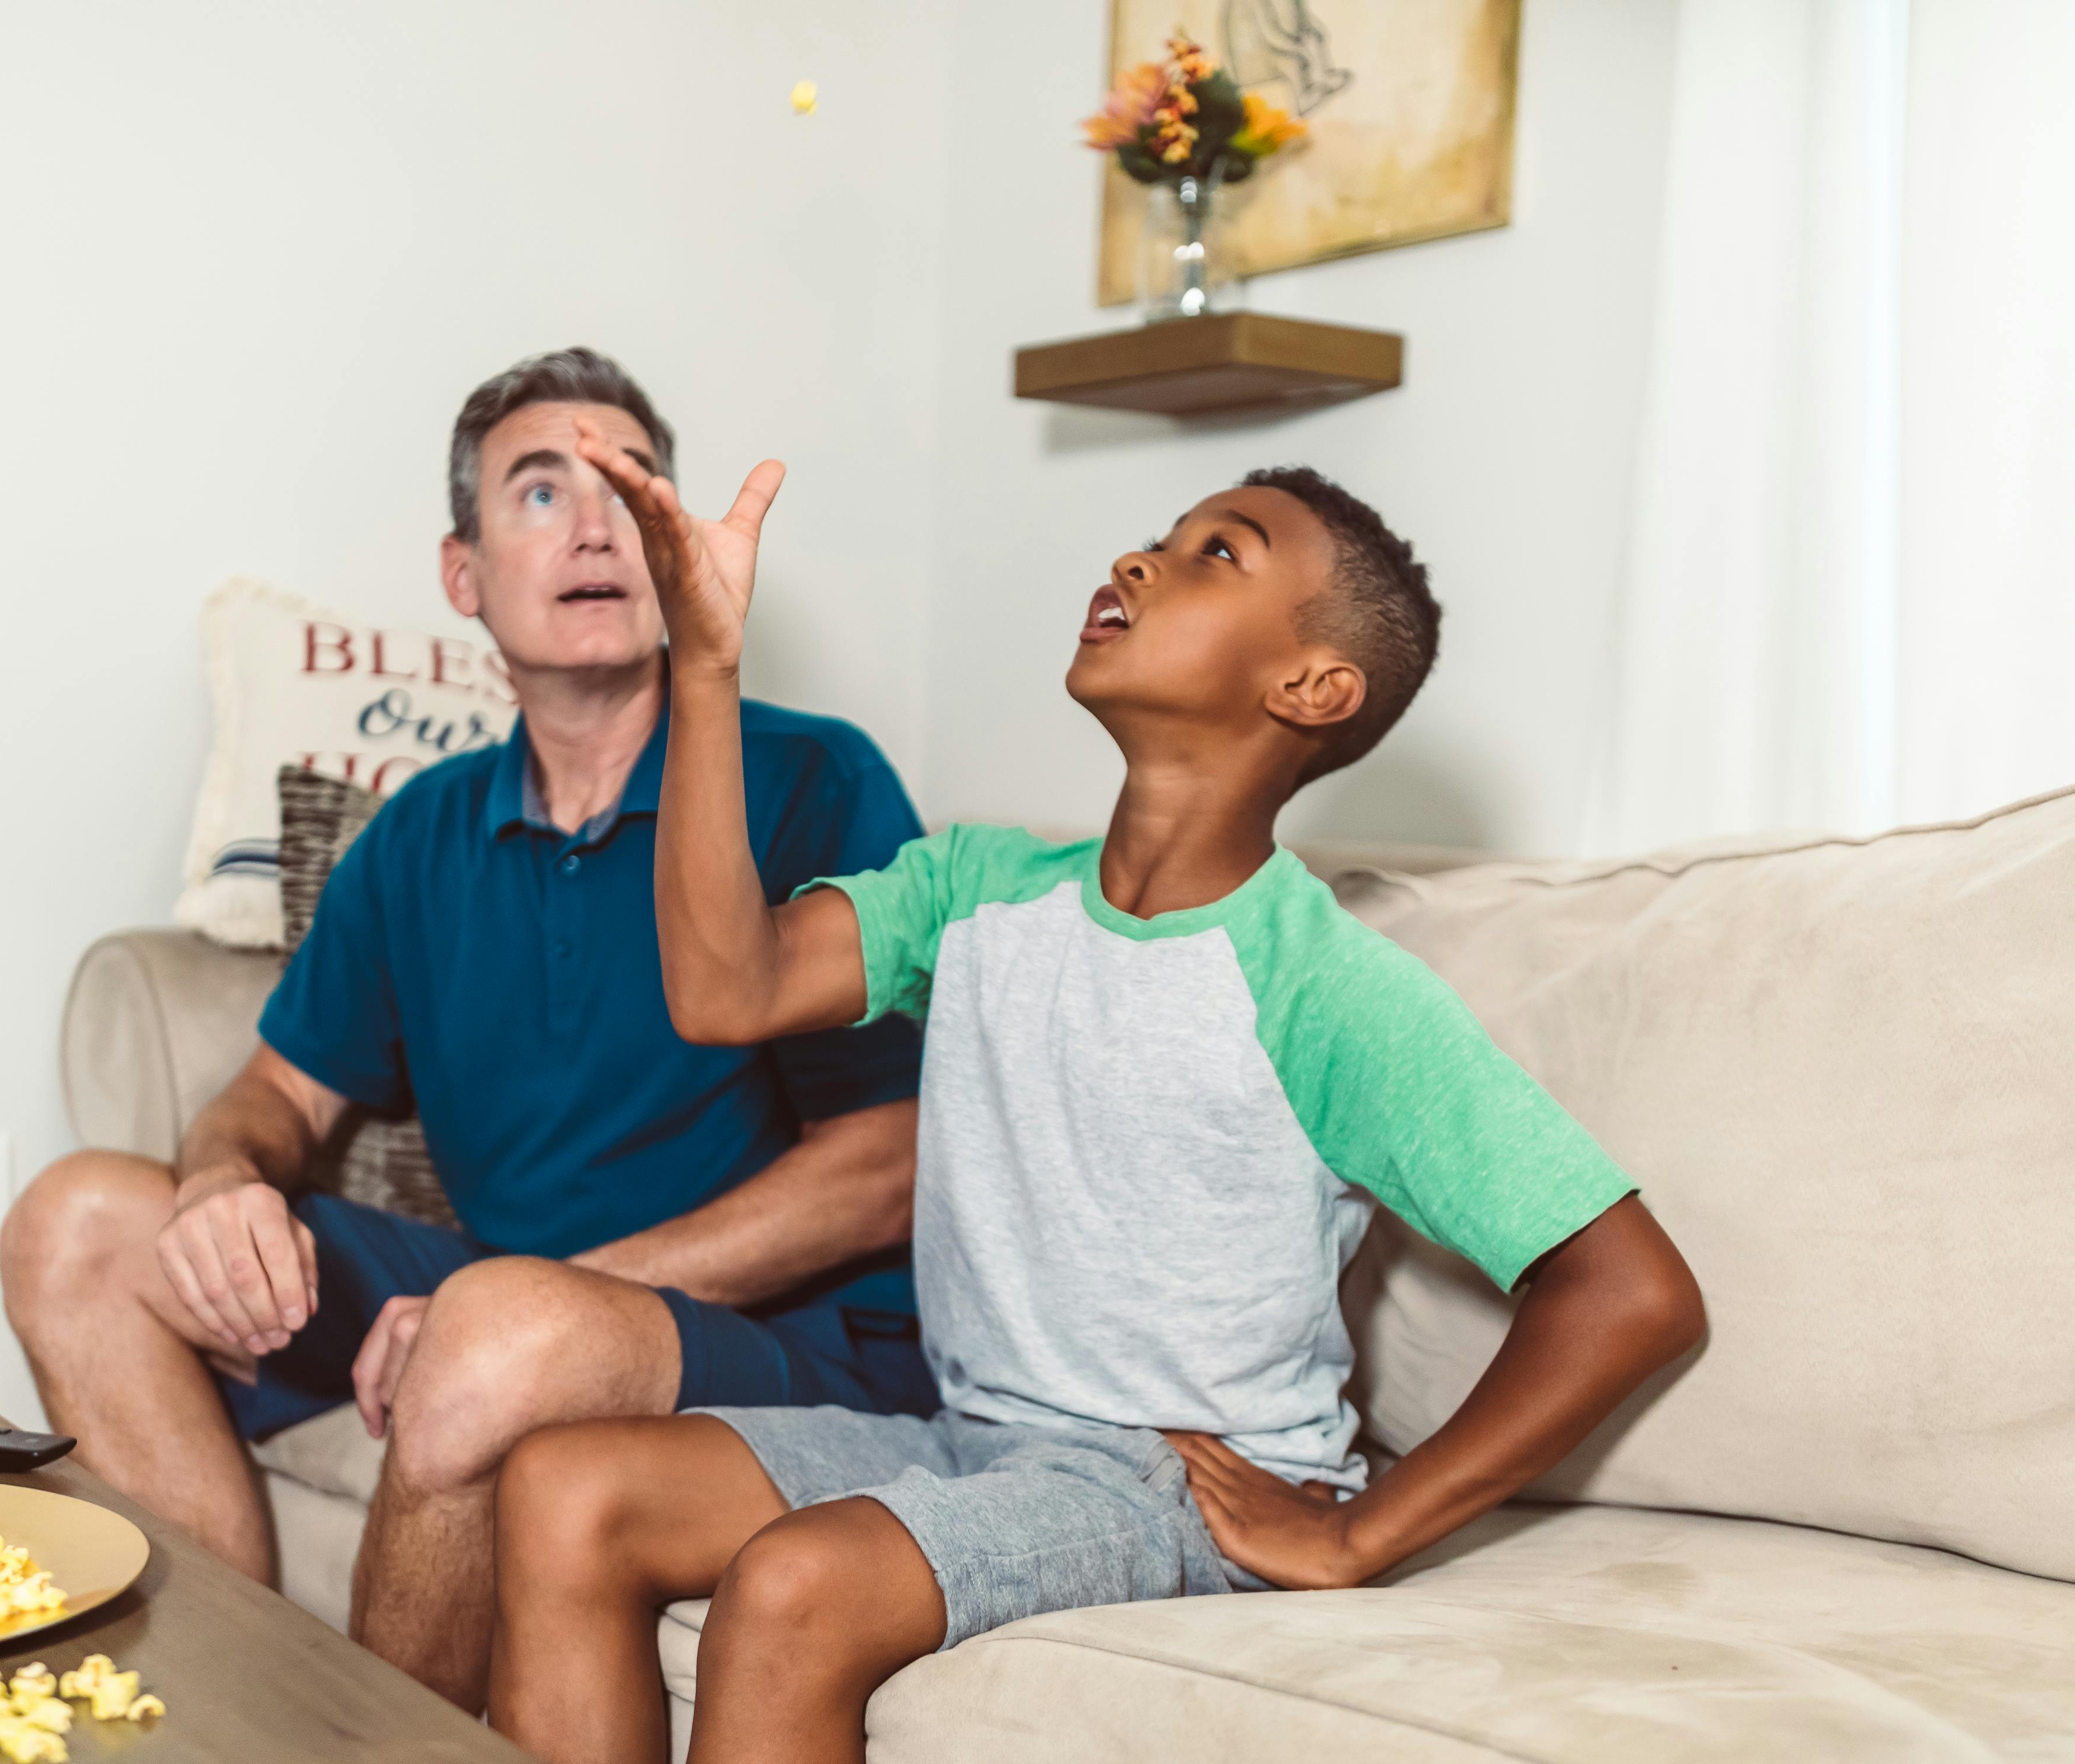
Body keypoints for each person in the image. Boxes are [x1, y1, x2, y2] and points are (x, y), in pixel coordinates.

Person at [483, 430, 1709, 1764]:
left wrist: (1366, 1528)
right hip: (968, 1437)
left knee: (797, 1585)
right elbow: (727, 990)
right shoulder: (981, 887)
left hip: (1169, 1480)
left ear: (1310, 685)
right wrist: (707, 669)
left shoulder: (1328, 990)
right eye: (1162, 535)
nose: (1140, 558)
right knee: (562, 1485)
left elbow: (1632, 1290)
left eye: (1214, 556)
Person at [0, 348, 937, 1713]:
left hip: (795, 1345)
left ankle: (354, 1753)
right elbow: (276, 1096)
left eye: (631, 487)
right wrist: (221, 1185)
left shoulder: (811, 777)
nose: (598, 524)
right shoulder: (421, 832)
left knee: (497, 1330)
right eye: (540, 493)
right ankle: (218, 1717)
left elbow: (890, 1161)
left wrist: (540, 1305)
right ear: (465, 578)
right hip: (506, 1302)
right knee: (74, 1220)